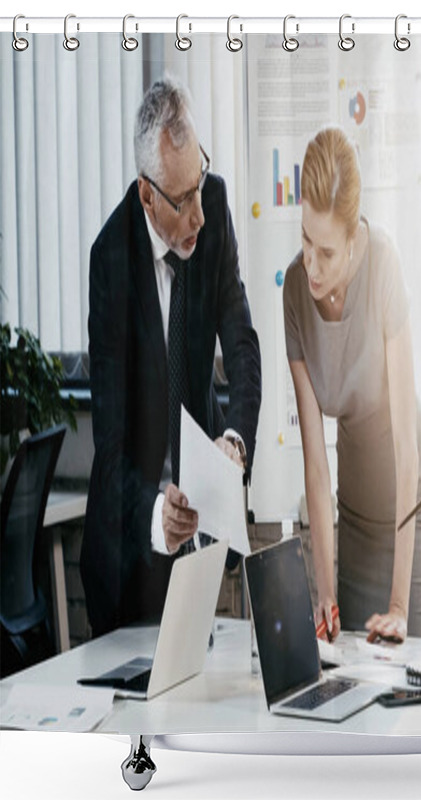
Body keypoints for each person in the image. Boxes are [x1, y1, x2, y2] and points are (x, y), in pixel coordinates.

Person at [81, 78, 262, 637]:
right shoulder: (111, 260)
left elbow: (241, 342)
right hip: (132, 546)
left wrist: (234, 440)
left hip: (203, 535)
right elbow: (110, 443)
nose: (199, 217)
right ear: (147, 195)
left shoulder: (212, 207)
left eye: (200, 181)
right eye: (183, 202)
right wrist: (157, 514)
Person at [283, 127, 421, 643]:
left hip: (405, 509)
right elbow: (315, 463)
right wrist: (324, 590)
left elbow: (406, 450)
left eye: (327, 251)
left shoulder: (384, 266)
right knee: (347, 670)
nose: (312, 263)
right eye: (306, 240)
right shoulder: (295, 296)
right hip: (351, 513)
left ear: (355, 241)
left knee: (403, 683)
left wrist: (398, 602)